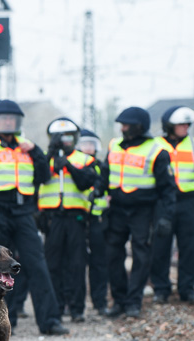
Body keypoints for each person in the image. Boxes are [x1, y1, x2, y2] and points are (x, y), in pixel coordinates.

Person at [0, 100, 70, 336]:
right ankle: (3, 321)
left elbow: (44, 176)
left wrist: (36, 151)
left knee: (37, 264)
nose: (8, 122)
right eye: (3, 118)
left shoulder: (27, 147)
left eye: (12, 119)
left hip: (23, 213)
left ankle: (50, 321)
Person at [101, 107, 176, 318]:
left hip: (143, 210)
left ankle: (134, 303)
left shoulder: (156, 151)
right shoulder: (114, 145)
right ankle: (119, 301)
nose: (123, 128)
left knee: (141, 255)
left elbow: (167, 188)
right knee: (113, 254)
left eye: (127, 125)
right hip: (116, 208)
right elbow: (105, 175)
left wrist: (165, 217)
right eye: (122, 125)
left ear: (139, 127)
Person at [150, 106, 194, 304]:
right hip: (163, 202)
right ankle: (161, 289)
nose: (185, 127)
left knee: (189, 248)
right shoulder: (155, 145)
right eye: (181, 124)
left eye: (187, 124)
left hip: (188, 203)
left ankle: (186, 290)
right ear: (169, 126)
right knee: (160, 247)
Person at [37, 118, 99, 323]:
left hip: (76, 218)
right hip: (52, 219)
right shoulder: (46, 159)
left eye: (69, 137)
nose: (65, 141)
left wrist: (70, 167)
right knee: (53, 264)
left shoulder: (85, 159)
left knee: (77, 264)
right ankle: (57, 306)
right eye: (59, 137)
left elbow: (86, 182)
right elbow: (39, 178)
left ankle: (77, 308)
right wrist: (49, 155)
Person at [77, 129, 110, 316]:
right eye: (85, 144)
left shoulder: (100, 167)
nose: (89, 148)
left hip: (97, 220)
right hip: (78, 220)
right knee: (76, 263)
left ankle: (100, 302)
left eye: (92, 144)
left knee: (99, 263)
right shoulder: (74, 165)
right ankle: (73, 303)